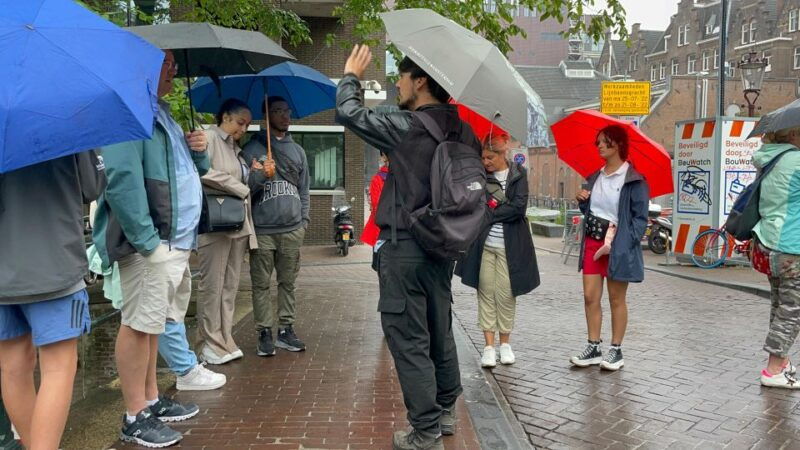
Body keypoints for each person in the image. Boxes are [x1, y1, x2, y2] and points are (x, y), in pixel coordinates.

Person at [336, 44, 480, 450]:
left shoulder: (407, 125)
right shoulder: (462, 129)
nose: (397, 85)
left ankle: (425, 430)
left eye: (401, 77)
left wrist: (350, 75)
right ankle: (447, 411)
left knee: (408, 338)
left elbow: (350, 114)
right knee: (440, 329)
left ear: (420, 81)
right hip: (442, 245)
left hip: (405, 246)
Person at [92, 49, 224, 448]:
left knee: (153, 324)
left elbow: (189, 172)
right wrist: (148, 241)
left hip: (173, 241)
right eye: (164, 62)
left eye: (172, 63)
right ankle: (135, 415)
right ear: (140, 66)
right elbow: (121, 178)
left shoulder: (158, 110)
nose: (174, 69)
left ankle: (150, 398)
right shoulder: (128, 111)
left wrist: (197, 150)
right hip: (154, 243)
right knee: (137, 325)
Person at [0, 149, 105, 450]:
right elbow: (93, 185)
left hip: (4, 268)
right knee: (58, 368)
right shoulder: (66, 116)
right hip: (53, 261)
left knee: (13, 366)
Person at [455, 133, 539, 369]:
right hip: (483, 246)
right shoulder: (481, 176)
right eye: (483, 157)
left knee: (506, 294)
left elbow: (518, 209)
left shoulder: (518, 174)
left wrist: (489, 216)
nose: (486, 161)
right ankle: (489, 347)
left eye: (490, 157)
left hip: (510, 246)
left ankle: (505, 344)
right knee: (485, 292)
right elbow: (475, 205)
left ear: (503, 154)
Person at [570, 125, 649, 371]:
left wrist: (625, 241)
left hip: (618, 244)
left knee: (616, 298)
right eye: (598, 143)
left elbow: (640, 218)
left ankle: (616, 349)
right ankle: (593, 346)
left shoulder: (634, 179)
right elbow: (593, 210)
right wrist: (583, 202)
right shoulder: (595, 177)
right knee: (590, 296)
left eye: (604, 142)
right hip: (594, 240)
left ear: (618, 144)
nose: (600, 146)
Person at [241, 96, 310, 357]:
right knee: (260, 284)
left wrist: (303, 221)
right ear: (266, 115)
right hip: (263, 230)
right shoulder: (251, 149)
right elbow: (243, 188)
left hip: (292, 229)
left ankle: (286, 329)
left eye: (286, 111)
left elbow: (304, 190)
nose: (284, 116)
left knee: (287, 282)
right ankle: (264, 332)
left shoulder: (298, 151)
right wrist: (261, 175)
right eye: (278, 111)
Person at [196, 99, 258, 365]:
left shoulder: (236, 148)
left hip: (236, 224)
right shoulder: (207, 138)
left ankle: (224, 338)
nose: (243, 129)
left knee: (230, 285)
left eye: (246, 124)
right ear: (225, 117)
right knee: (212, 285)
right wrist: (238, 186)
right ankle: (208, 342)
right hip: (215, 224)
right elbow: (201, 172)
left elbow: (241, 183)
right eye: (240, 122)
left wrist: (254, 175)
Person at [750, 126, 800, 389]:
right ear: (792, 135)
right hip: (792, 245)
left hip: (768, 242)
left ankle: (781, 362)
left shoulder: (767, 158)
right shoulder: (796, 160)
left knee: (780, 305)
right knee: (793, 310)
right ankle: (773, 369)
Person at [361, 151, 389, 247]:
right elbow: (376, 205)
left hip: (384, 228)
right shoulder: (377, 179)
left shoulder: (377, 179)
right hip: (383, 229)